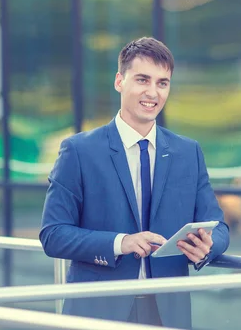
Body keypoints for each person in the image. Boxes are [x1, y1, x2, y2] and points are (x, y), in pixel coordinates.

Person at [39, 37, 230, 329]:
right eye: (142, 79)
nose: (152, 92)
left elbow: (219, 227)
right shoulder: (79, 151)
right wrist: (121, 243)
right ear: (120, 81)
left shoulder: (187, 152)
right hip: (98, 312)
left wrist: (207, 246)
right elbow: (53, 234)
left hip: (168, 313)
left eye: (162, 83)